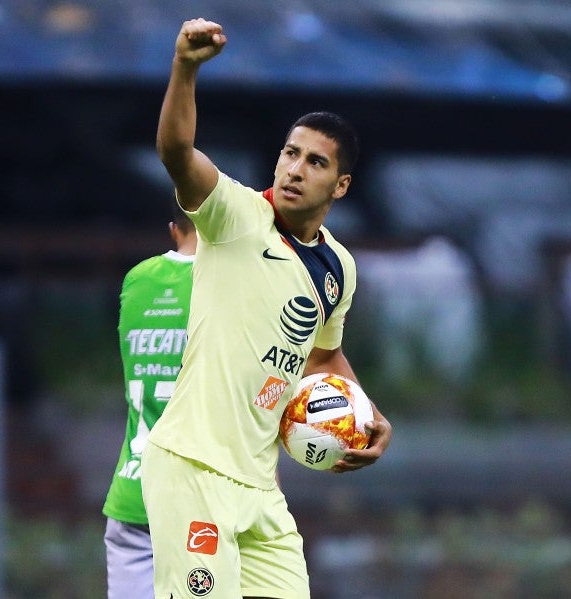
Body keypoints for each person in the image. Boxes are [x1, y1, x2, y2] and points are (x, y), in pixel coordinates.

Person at [141, 18, 393, 599]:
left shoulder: (339, 268)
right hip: (193, 469)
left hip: (260, 487)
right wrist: (185, 68)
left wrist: (369, 418)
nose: (294, 169)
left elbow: (323, 357)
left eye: (315, 162)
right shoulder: (232, 215)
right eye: (289, 153)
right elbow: (176, 151)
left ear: (341, 186)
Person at [102, 204, 197, 599]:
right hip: (198, 503)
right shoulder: (231, 288)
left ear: (174, 230)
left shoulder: (136, 280)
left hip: (131, 496)